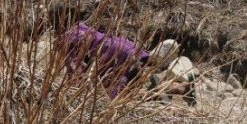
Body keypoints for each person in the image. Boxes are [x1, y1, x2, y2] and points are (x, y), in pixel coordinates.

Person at [61, 23, 195, 99]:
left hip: (86, 40)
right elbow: (114, 90)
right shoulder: (134, 58)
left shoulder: (138, 54)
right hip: (83, 45)